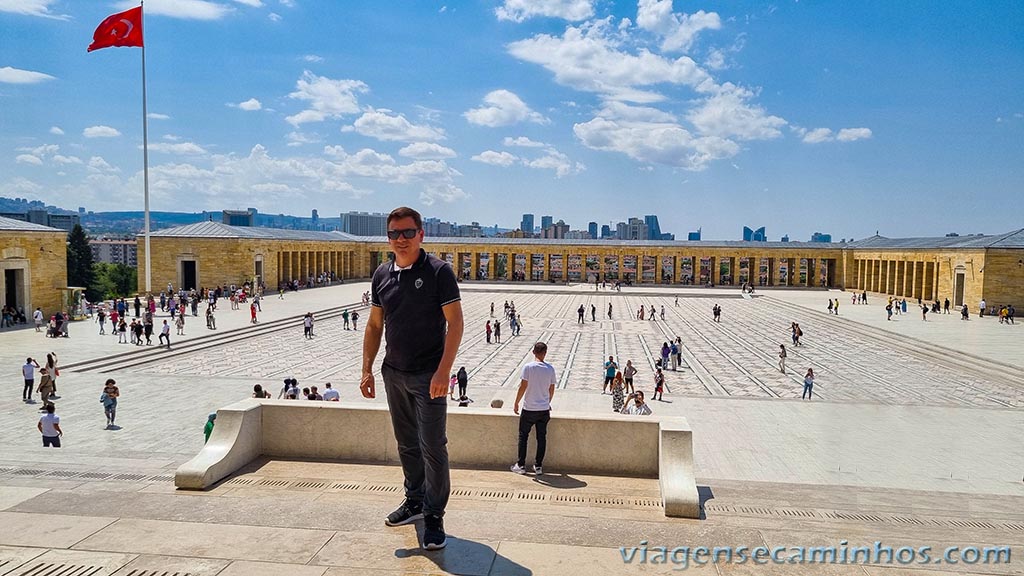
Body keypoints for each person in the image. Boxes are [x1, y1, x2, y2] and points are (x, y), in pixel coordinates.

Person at [360, 206, 463, 551]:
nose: (400, 240)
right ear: (387, 238)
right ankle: (415, 500)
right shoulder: (382, 275)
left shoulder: (438, 271)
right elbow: (375, 325)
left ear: (421, 234)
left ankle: (434, 514)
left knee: (433, 446)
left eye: (407, 232)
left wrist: (444, 371)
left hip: (428, 375)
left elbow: (456, 323)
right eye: (394, 234)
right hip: (394, 373)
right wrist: (367, 369)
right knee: (406, 444)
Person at [512, 341, 556, 476]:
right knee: (541, 438)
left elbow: (523, 386)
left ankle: (520, 465)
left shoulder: (528, 367)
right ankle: (538, 466)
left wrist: (516, 402)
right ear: (545, 353)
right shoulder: (550, 369)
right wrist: (547, 402)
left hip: (529, 409)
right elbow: (552, 388)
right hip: (543, 410)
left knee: (523, 437)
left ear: (533, 352)